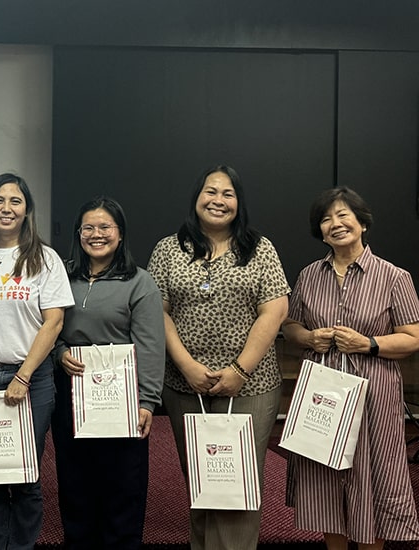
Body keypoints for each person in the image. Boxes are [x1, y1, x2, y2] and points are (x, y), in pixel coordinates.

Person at [146, 165, 289, 550]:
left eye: (228, 194)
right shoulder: (168, 248)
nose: (218, 200)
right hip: (184, 386)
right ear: (196, 198)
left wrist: (240, 370)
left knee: (236, 486)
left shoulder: (259, 248)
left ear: (238, 203)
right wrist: (187, 366)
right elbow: (155, 312)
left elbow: (274, 310)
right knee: (201, 479)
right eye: (211, 191)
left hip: (250, 388)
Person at [282, 187, 419, 550]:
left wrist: (369, 343)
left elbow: (413, 337)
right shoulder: (310, 275)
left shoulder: (394, 277)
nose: (335, 224)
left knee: (373, 476)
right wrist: (311, 337)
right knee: (325, 475)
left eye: (343, 215)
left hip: (373, 391)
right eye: (326, 219)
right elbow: (290, 328)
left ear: (362, 222)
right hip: (322, 394)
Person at [0, 173, 74, 550]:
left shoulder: (45, 258)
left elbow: (53, 321)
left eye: (15, 201)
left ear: (27, 210)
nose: (6, 208)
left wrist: (23, 376)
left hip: (31, 380)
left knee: (26, 477)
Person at [51, 197, 165, 550]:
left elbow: (150, 344)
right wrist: (59, 354)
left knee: (122, 489)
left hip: (122, 399)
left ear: (120, 234)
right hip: (71, 396)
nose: (96, 234)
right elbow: (46, 329)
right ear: (78, 233)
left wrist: (147, 401)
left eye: (105, 227)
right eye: (88, 228)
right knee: (76, 485)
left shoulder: (139, 282)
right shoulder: (61, 277)